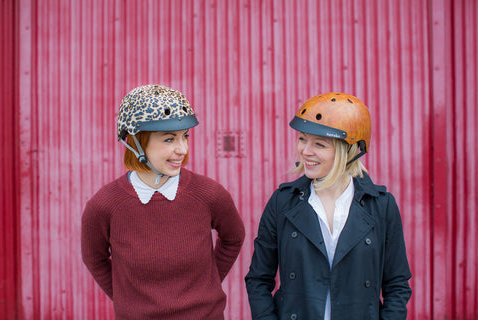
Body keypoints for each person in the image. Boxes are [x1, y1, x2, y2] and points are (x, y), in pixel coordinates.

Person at [81, 84, 245, 320]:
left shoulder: (209, 194)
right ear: (136, 142)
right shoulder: (105, 205)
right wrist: (127, 299)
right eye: (169, 139)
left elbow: (234, 237)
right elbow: (94, 258)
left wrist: (207, 283)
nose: (182, 149)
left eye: (185, 137)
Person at [245, 92, 412, 320]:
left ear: (349, 151)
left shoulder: (382, 206)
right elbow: (258, 279)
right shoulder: (282, 202)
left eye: (319, 144)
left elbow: (397, 284)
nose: (305, 151)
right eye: (302, 139)